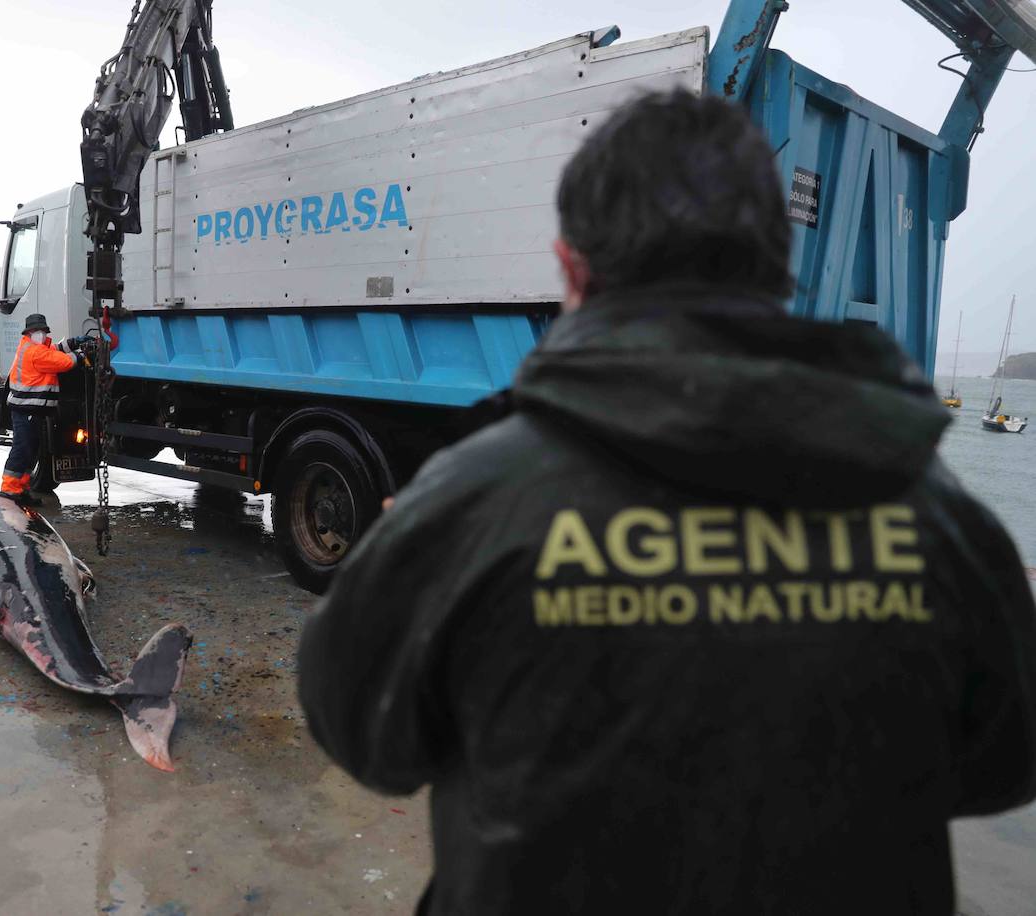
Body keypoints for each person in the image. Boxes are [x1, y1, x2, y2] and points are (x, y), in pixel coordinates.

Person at [297, 90, 1036, 915]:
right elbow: (1007, 761)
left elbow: (362, 732)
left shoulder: (471, 500)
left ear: (572, 267)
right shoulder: (940, 515)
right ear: (773, 260)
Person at [1, 313, 90, 500]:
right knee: (23, 449)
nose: (40, 334)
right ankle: (9, 490)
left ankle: (21, 488)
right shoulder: (35, 352)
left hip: (29, 410)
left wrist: (73, 343)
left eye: (42, 331)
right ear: (29, 332)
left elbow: (54, 350)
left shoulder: (31, 346)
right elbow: (63, 362)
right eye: (36, 331)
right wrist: (81, 355)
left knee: (30, 450)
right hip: (27, 409)